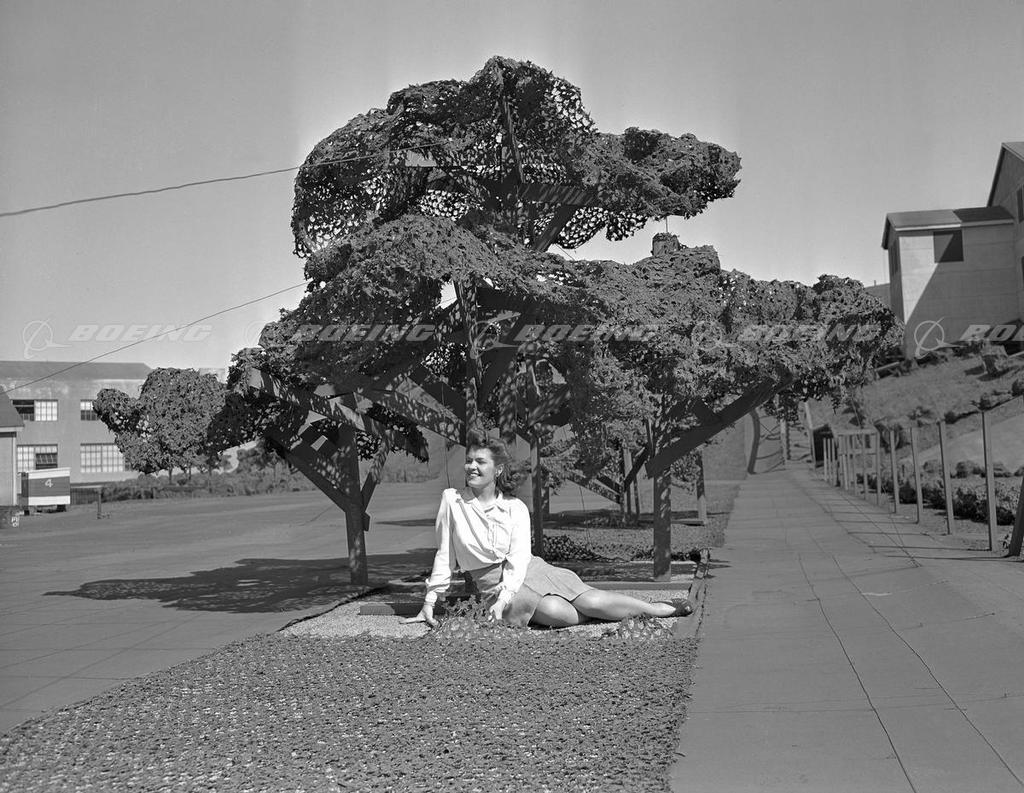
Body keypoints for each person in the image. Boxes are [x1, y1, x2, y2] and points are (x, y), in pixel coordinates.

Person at [405, 436, 692, 629]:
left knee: (590, 601)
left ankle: (659, 608)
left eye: (480, 462)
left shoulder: (514, 508)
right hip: (489, 582)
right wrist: (430, 601)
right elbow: (445, 555)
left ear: (498, 469)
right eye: (469, 460)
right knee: (560, 614)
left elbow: (519, 560)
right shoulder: (452, 500)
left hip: (526, 571)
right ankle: (609, 613)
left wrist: (505, 599)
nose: (471, 467)